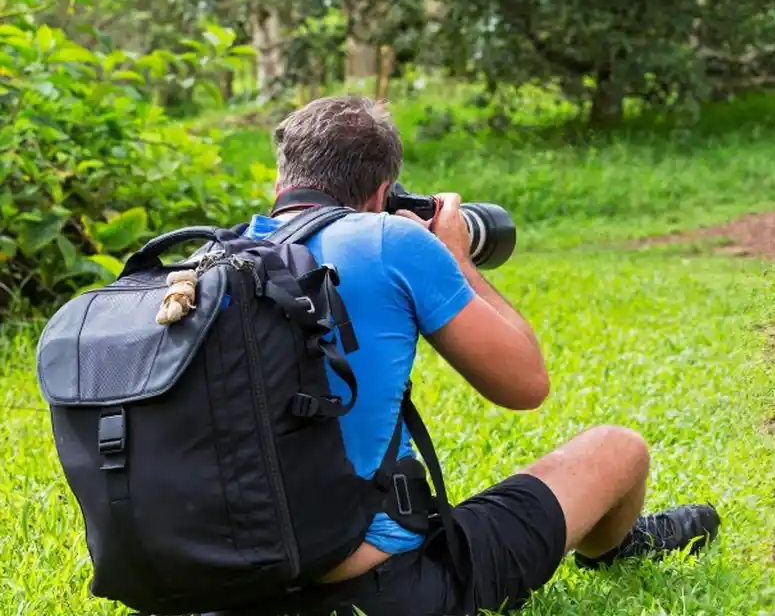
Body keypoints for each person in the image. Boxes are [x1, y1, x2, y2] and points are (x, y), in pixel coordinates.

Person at [217, 95, 721, 616]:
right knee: (620, 449)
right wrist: (455, 257)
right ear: (383, 194)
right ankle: (618, 545)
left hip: (225, 584)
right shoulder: (389, 241)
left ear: (280, 188)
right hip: (379, 589)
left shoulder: (211, 264)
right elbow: (526, 384)